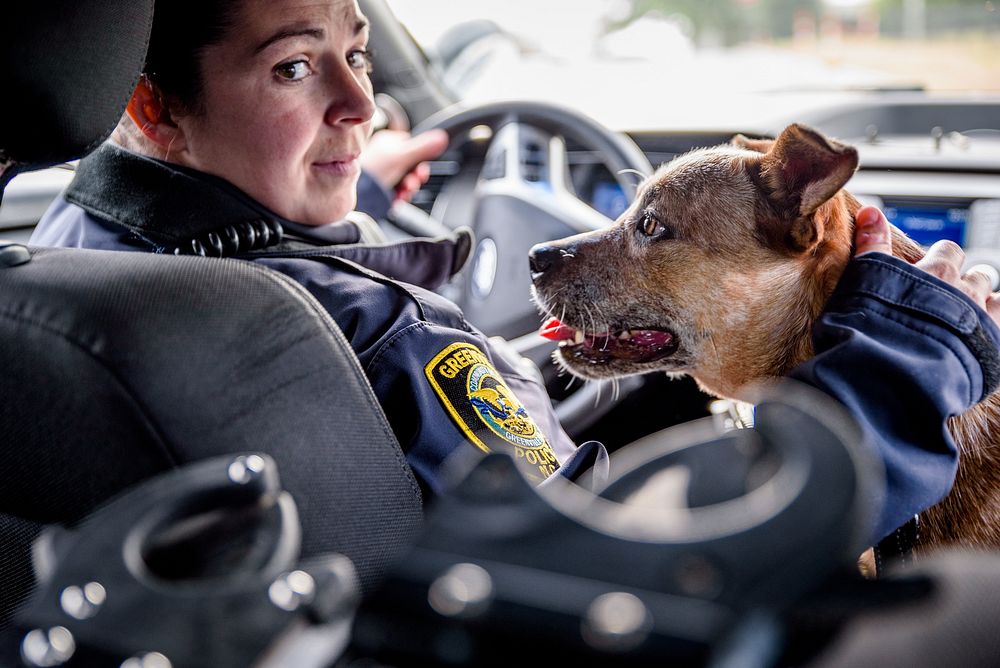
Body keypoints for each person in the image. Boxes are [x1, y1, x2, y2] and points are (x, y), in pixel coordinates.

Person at [29, 0, 1000, 546]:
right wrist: (923, 344)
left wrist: (326, 192)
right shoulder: (372, 336)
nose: (361, 102)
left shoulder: (64, 258)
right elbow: (625, 564)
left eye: (358, 54)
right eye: (294, 69)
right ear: (152, 108)